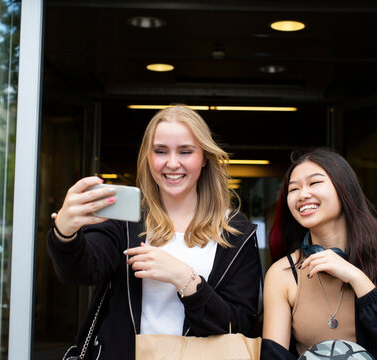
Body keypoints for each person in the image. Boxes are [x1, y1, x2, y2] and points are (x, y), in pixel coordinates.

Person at [48, 106, 261, 359]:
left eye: (185, 151)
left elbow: (239, 324)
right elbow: (81, 270)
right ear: (148, 158)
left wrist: (185, 279)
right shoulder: (125, 220)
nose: (172, 163)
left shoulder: (236, 231)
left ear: (204, 157)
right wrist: (65, 232)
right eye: (160, 151)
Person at [261, 148, 377, 360]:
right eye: (293, 189)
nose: (303, 194)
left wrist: (357, 278)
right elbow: (273, 356)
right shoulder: (283, 273)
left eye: (314, 183)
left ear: (344, 189)